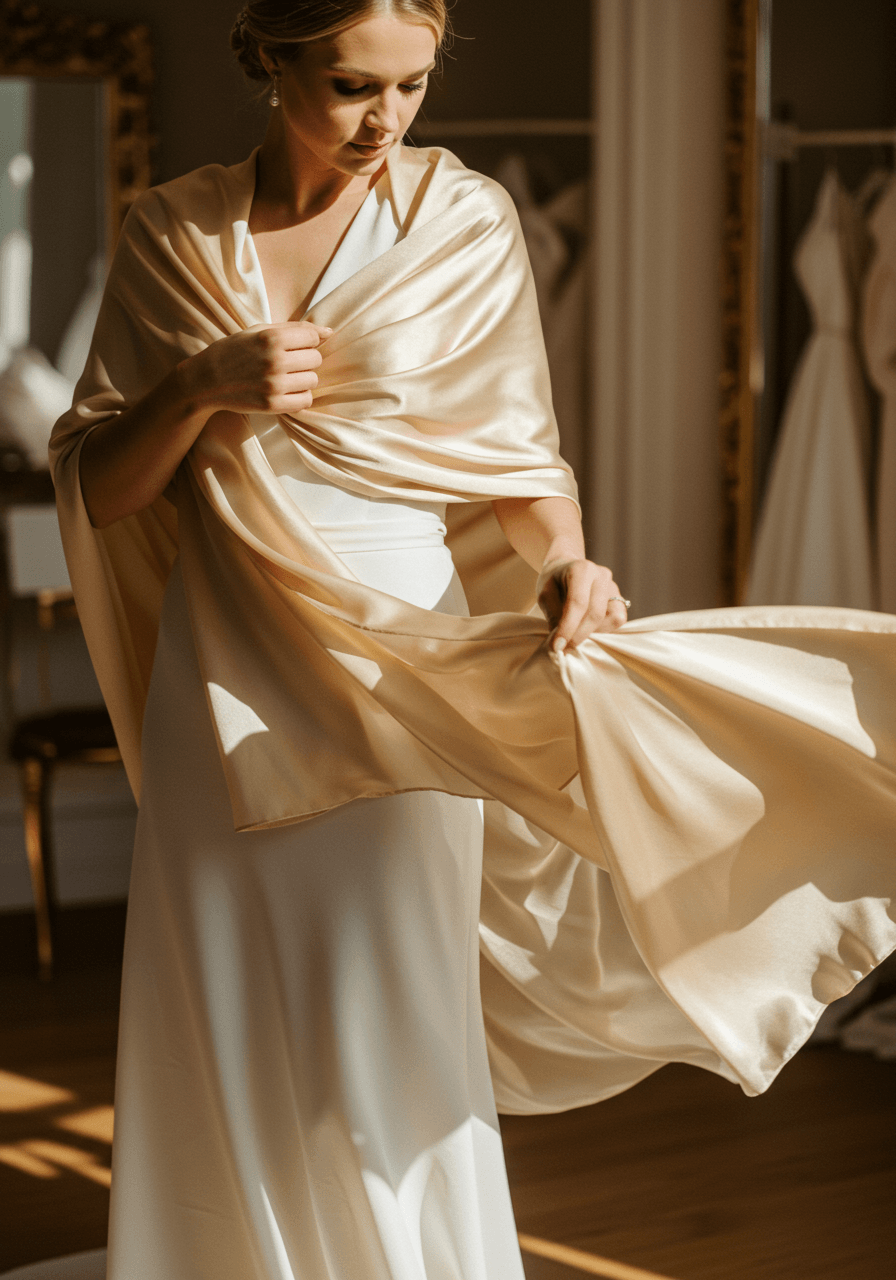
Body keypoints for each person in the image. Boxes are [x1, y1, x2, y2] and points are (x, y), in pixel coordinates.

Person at [49, 3, 896, 1278]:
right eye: (348, 84)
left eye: (411, 86)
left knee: (390, 998)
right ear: (266, 58)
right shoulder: (173, 230)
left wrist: (565, 559)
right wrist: (199, 386)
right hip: (221, 682)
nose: (385, 120)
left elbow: (516, 465)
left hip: (404, 673)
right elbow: (104, 487)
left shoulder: (466, 221)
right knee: (217, 996)